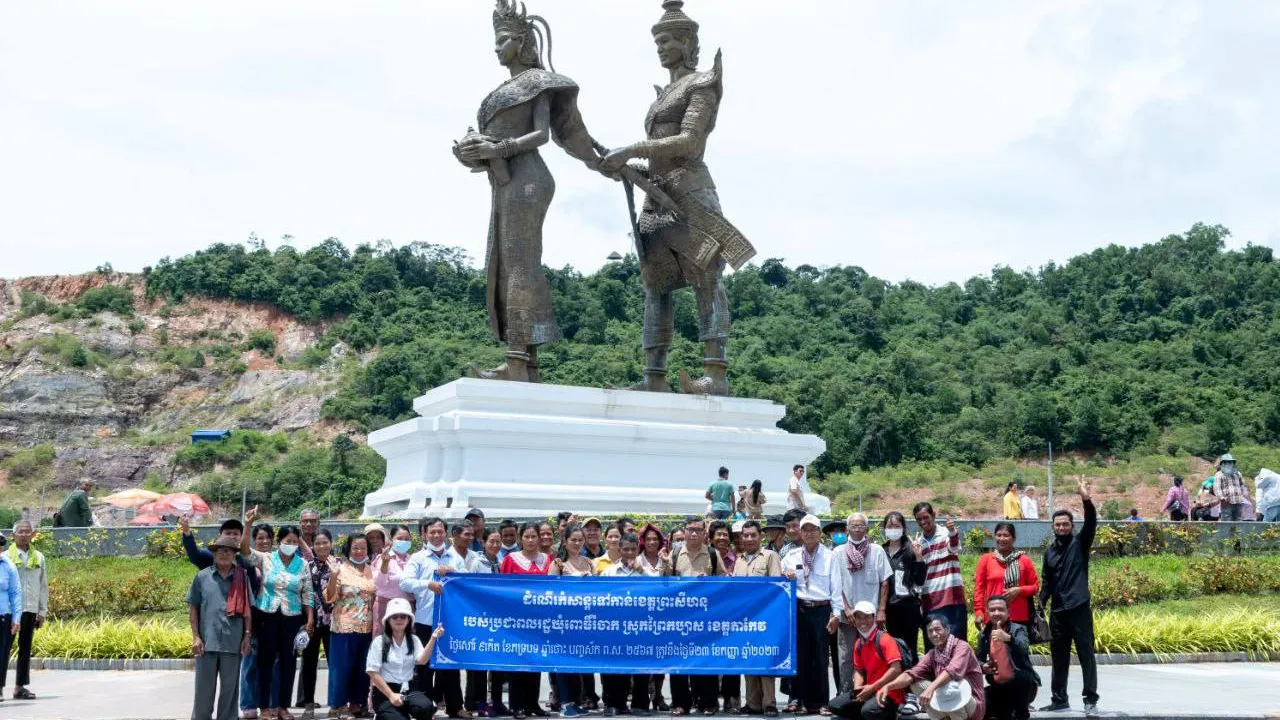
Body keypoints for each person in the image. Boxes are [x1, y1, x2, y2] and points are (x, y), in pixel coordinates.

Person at [242, 509, 316, 720]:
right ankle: (264, 707)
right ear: (279, 541)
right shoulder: (266, 558)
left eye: (294, 541)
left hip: (292, 617)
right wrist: (248, 525)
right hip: (267, 615)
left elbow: (308, 593)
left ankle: (283, 706)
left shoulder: (302, 564)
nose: (290, 544)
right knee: (265, 662)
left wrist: (309, 619)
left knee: (288, 662)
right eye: (287, 540)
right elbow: (245, 550)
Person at [1039, 482, 1098, 716]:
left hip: (1079, 609)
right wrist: (1039, 605)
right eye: (1058, 524)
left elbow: (1091, 522)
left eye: (1065, 524)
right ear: (1053, 527)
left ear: (1072, 526)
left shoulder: (1080, 544)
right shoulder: (1049, 552)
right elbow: (1047, 582)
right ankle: (1059, 699)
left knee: (1086, 655)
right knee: (1058, 658)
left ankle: (1090, 700)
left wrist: (1086, 500)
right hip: (1058, 613)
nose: (1062, 527)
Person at [400, 517, 468, 719]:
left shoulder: (454, 558)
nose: (436, 535)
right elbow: (405, 582)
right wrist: (427, 583)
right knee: (424, 666)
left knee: (451, 665)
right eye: (432, 532)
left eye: (440, 531)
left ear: (446, 534)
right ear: (424, 534)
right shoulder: (418, 558)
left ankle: (456, 706)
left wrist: (453, 572)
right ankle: (425, 707)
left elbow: (466, 582)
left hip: (449, 621)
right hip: (425, 620)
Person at [780, 514, 842, 715]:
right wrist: (784, 574)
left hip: (822, 609)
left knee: (821, 657)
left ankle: (821, 701)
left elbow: (837, 587)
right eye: (805, 529)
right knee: (800, 656)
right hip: (799, 608)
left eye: (812, 529)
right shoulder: (791, 556)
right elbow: (778, 577)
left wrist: (836, 614)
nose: (808, 533)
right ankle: (799, 699)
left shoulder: (830, 556)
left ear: (819, 532)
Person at [187, 537, 253, 720]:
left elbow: (247, 609)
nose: (224, 553)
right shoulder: (202, 577)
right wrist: (196, 637)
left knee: (230, 692)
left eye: (229, 551)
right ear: (214, 554)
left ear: (234, 555)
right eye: (220, 550)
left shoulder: (242, 577)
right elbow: (194, 607)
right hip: (207, 644)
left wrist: (247, 636)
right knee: (203, 691)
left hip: (233, 643)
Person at [667, 516, 726, 716]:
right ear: (684, 531)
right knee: (679, 662)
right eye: (690, 529)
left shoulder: (712, 553)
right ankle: (681, 703)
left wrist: (709, 581)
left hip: (705, 617)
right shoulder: (674, 553)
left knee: (705, 660)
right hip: (679, 618)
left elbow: (724, 582)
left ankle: (707, 702)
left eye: (698, 530)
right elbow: (664, 584)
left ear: (704, 533)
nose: (693, 533)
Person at [833, 513, 892, 699]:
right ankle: (845, 695)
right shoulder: (838, 552)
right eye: (853, 525)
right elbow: (836, 584)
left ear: (866, 529)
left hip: (871, 616)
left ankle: (872, 693)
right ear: (847, 529)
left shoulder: (876, 551)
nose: (857, 529)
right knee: (846, 657)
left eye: (861, 526)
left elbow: (885, 582)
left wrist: (881, 610)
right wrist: (846, 608)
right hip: (848, 614)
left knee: (874, 655)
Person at [877, 619, 984, 720]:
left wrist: (930, 689)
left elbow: (952, 670)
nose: (934, 634)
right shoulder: (933, 654)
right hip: (948, 700)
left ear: (947, 630)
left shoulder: (962, 647)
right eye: (930, 631)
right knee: (916, 683)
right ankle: (942, 718)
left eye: (937, 629)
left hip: (971, 704)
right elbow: (912, 674)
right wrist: (888, 686)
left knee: (951, 688)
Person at [500, 523, 553, 719]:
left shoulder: (548, 560)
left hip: (540, 621)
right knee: (518, 662)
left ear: (540, 538)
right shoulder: (511, 559)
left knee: (536, 662)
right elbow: (503, 589)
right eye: (527, 537)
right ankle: (516, 705)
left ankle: (533, 703)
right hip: (516, 620)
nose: (530, 540)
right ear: (521, 538)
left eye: (534, 536)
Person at [732, 520, 782, 717]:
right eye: (746, 535)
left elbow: (777, 588)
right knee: (748, 660)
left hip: (765, 618)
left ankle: (769, 703)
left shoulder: (770, 557)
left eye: (753, 535)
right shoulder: (739, 560)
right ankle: (752, 703)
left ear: (760, 536)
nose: (749, 538)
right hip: (744, 620)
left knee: (765, 660)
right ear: (741, 538)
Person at [367, 598, 444, 720]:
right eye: (395, 616)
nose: (399, 619)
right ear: (388, 620)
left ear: (409, 620)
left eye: (403, 616)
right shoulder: (379, 642)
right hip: (385, 691)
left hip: (409, 689)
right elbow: (372, 671)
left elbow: (422, 660)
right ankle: (383, 714)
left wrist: (433, 638)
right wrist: (391, 695)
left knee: (426, 708)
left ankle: (402, 710)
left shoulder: (414, 640)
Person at [326, 534, 377, 720]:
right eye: (355, 547)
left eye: (363, 547)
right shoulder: (340, 569)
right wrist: (333, 576)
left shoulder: (372, 570)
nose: (359, 551)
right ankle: (337, 706)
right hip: (343, 626)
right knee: (341, 668)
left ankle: (357, 703)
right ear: (348, 549)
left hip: (367, 626)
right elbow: (329, 597)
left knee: (362, 667)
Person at [880, 512, 925, 716]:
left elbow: (920, 579)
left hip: (907, 608)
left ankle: (912, 696)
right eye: (890, 525)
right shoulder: (881, 551)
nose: (893, 528)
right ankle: (895, 694)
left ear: (904, 527)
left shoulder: (909, 549)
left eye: (897, 525)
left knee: (909, 651)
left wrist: (918, 557)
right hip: (886, 610)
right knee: (892, 654)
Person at [601, 534, 650, 717]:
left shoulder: (646, 572)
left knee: (641, 668)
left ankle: (640, 704)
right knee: (616, 668)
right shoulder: (609, 572)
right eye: (626, 549)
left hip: (641, 627)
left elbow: (658, 590)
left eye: (633, 549)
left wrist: (643, 572)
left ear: (637, 550)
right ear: (619, 550)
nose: (630, 553)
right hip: (616, 627)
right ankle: (615, 703)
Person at [829, 602, 903, 720]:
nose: (863, 621)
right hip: (869, 690)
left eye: (867, 617)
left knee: (869, 712)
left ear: (874, 618)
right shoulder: (859, 643)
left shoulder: (885, 639)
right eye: (859, 617)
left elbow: (896, 669)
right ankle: (867, 712)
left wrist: (872, 687)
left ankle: (891, 713)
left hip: (888, 692)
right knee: (834, 706)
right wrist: (858, 688)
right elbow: (858, 670)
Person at [975, 597, 1039, 720]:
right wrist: (984, 667)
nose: (997, 613)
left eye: (1001, 609)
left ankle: (1021, 714)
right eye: (992, 610)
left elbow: (1024, 647)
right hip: (999, 687)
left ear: (1008, 612)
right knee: (978, 703)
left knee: (1023, 677)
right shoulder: (983, 635)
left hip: (1023, 688)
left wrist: (1008, 638)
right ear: (987, 612)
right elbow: (978, 660)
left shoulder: (1018, 628)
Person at [4, 521, 47, 701]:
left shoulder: (39, 557)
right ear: (13, 536)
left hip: (29, 610)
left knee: (25, 650)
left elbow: (43, 585)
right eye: (20, 532)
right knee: (3, 649)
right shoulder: (5, 557)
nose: (23, 535)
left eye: (27, 532)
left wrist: (42, 611)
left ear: (33, 534)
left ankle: (20, 687)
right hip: (9, 611)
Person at [912, 504, 966, 644]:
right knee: (933, 647)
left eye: (926, 517)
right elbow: (918, 575)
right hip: (929, 602)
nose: (923, 522)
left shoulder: (946, 534)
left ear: (933, 515)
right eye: (919, 519)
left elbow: (954, 548)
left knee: (956, 645)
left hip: (952, 599)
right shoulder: (917, 543)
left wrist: (952, 532)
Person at [973, 524, 1039, 633]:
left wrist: (1019, 590)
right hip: (994, 616)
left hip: (1019, 618)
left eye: (1006, 535)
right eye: (999, 535)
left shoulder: (1024, 560)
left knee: (1018, 649)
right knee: (995, 650)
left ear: (1013, 538)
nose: (1002, 539)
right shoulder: (986, 559)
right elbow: (979, 589)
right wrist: (979, 612)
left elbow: (1035, 587)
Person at [297, 529, 334, 716]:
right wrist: (309, 619)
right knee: (309, 664)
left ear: (331, 543)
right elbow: (304, 593)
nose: (322, 546)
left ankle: (336, 704)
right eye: (318, 543)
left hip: (334, 623)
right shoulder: (306, 566)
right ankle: (309, 704)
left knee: (335, 664)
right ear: (313, 546)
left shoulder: (339, 565)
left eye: (325, 542)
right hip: (312, 622)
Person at [373, 525, 416, 639]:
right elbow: (379, 584)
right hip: (385, 607)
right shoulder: (382, 558)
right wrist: (385, 563)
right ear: (392, 540)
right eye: (400, 538)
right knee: (383, 644)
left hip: (407, 609)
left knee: (407, 645)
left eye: (407, 539)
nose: (404, 542)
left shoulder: (413, 559)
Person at [0, 538, 21, 705]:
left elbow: (15, 593)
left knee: (1, 654)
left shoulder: (8, 565)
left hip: (3, 617)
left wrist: (16, 618)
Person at [1214, 454, 1252, 521]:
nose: (1228, 464)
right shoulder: (1219, 474)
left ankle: (1237, 532)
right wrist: (1222, 498)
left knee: (1238, 521)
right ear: (1222, 464)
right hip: (1227, 502)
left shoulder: (1237, 473)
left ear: (1233, 463)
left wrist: (1245, 496)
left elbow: (1242, 485)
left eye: (1230, 462)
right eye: (1226, 462)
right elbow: (1217, 488)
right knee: (1227, 521)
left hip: (1238, 501)